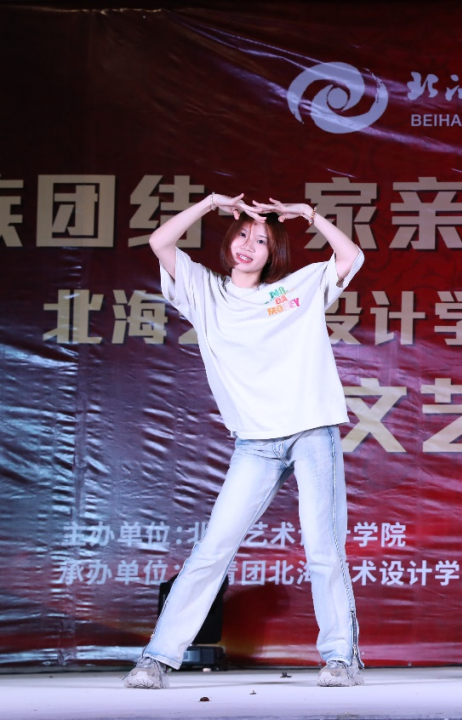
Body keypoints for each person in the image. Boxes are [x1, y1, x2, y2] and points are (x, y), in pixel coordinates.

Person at [123, 193, 364, 689]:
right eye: (242, 236)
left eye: (261, 241)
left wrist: (310, 215)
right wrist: (210, 202)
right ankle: (156, 659)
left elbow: (351, 258)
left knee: (323, 548)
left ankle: (340, 659)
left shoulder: (295, 289)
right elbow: (160, 241)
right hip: (254, 443)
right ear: (230, 239)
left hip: (311, 430)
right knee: (212, 549)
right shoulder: (202, 291)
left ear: (274, 253)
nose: (248, 246)